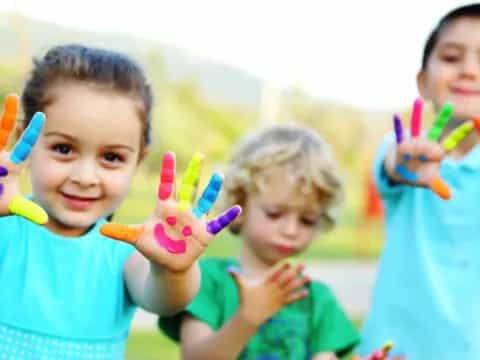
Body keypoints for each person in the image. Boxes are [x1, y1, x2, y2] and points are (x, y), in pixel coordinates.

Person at [0, 44, 239, 360]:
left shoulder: (126, 254)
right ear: (25, 140)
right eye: (63, 149)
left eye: (111, 157)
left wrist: (175, 270)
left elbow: (164, 299)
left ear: (139, 160)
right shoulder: (7, 231)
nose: (85, 176)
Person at [158, 124, 360, 359]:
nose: (291, 230)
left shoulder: (317, 299)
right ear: (240, 203)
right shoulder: (206, 280)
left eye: (307, 220)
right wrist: (247, 319)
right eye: (275, 214)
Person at [358, 4, 480, 359]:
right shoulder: (398, 149)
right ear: (423, 82)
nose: (469, 71)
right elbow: (395, 164)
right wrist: (405, 163)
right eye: (452, 57)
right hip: (396, 350)